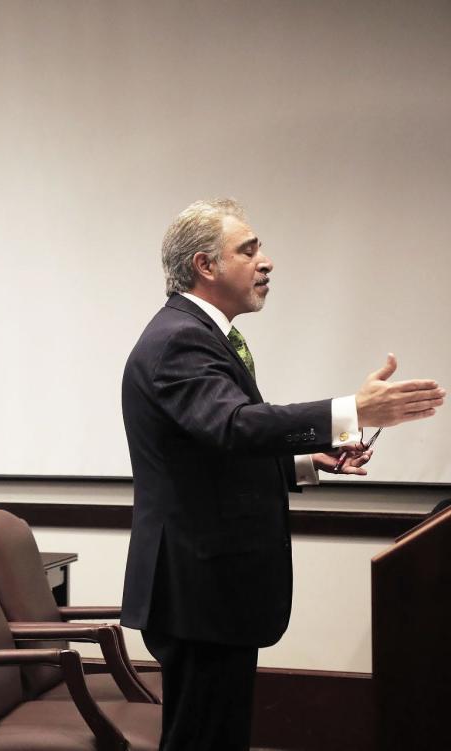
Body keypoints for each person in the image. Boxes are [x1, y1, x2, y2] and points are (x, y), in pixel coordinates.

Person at [120, 199, 445, 750]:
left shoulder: (201, 332)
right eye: (248, 250)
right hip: (199, 587)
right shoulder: (180, 338)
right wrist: (352, 412)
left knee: (216, 735)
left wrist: (304, 461)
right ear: (205, 265)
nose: (266, 261)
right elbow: (232, 425)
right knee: (203, 738)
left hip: (208, 585)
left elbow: (210, 450)